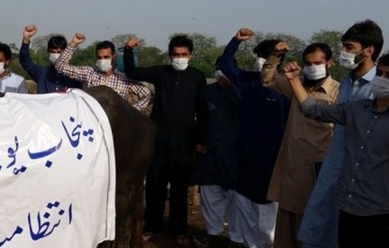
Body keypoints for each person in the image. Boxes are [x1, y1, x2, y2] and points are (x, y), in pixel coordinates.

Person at [283, 49, 389, 248]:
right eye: (380, 73)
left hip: (380, 213)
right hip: (347, 209)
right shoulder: (357, 109)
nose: (382, 79)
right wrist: (294, 80)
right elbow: (314, 110)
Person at [298, 19, 383, 248]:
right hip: (335, 162)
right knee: (321, 224)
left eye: (349, 47)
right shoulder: (347, 83)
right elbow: (317, 111)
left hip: (364, 173)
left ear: (369, 51)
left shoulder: (380, 86)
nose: (344, 52)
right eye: (343, 46)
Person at [122, 35, 207, 246]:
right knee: (155, 186)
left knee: (179, 189)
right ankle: (153, 227)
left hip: (184, 141)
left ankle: (179, 230)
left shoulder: (197, 77)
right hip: (158, 139)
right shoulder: (161, 73)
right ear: (170, 56)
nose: (180, 58)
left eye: (184, 55)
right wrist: (128, 50)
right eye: (176, 55)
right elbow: (132, 72)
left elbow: (203, 110)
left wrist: (199, 140)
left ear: (191, 55)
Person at [261, 42, 339, 248]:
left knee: (313, 224)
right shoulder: (296, 85)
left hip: (319, 168)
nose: (312, 66)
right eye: (308, 63)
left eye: (318, 62)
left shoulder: (338, 92)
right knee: (287, 226)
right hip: (292, 164)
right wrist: (276, 56)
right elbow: (267, 79)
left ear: (329, 63)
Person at [218, 28, 290, 248]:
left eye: (266, 58)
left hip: (274, 158)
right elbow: (225, 66)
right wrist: (235, 41)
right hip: (247, 154)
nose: (261, 62)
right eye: (259, 57)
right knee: (245, 204)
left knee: (269, 211)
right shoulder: (248, 80)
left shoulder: (286, 87)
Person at [190, 60, 243, 247]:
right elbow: (200, 118)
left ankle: (236, 238)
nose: (221, 73)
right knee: (209, 194)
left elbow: (243, 110)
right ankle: (213, 233)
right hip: (210, 151)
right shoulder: (207, 92)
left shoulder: (241, 91)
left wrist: (230, 88)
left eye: (225, 69)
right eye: (218, 69)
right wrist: (199, 141)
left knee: (235, 197)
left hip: (234, 152)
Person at [54, 33, 152, 115]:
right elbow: (60, 67)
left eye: (106, 57)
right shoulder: (89, 73)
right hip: (90, 119)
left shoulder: (123, 79)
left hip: (113, 124)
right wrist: (73, 44)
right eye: (99, 57)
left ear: (113, 57)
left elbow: (147, 95)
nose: (102, 60)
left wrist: (129, 112)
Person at [20, 25, 82, 93]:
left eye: (59, 52)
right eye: (52, 52)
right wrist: (26, 39)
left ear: (66, 53)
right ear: (48, 52)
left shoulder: (74, 75)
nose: (56, 55)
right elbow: (25, 61)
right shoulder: (41, 72)